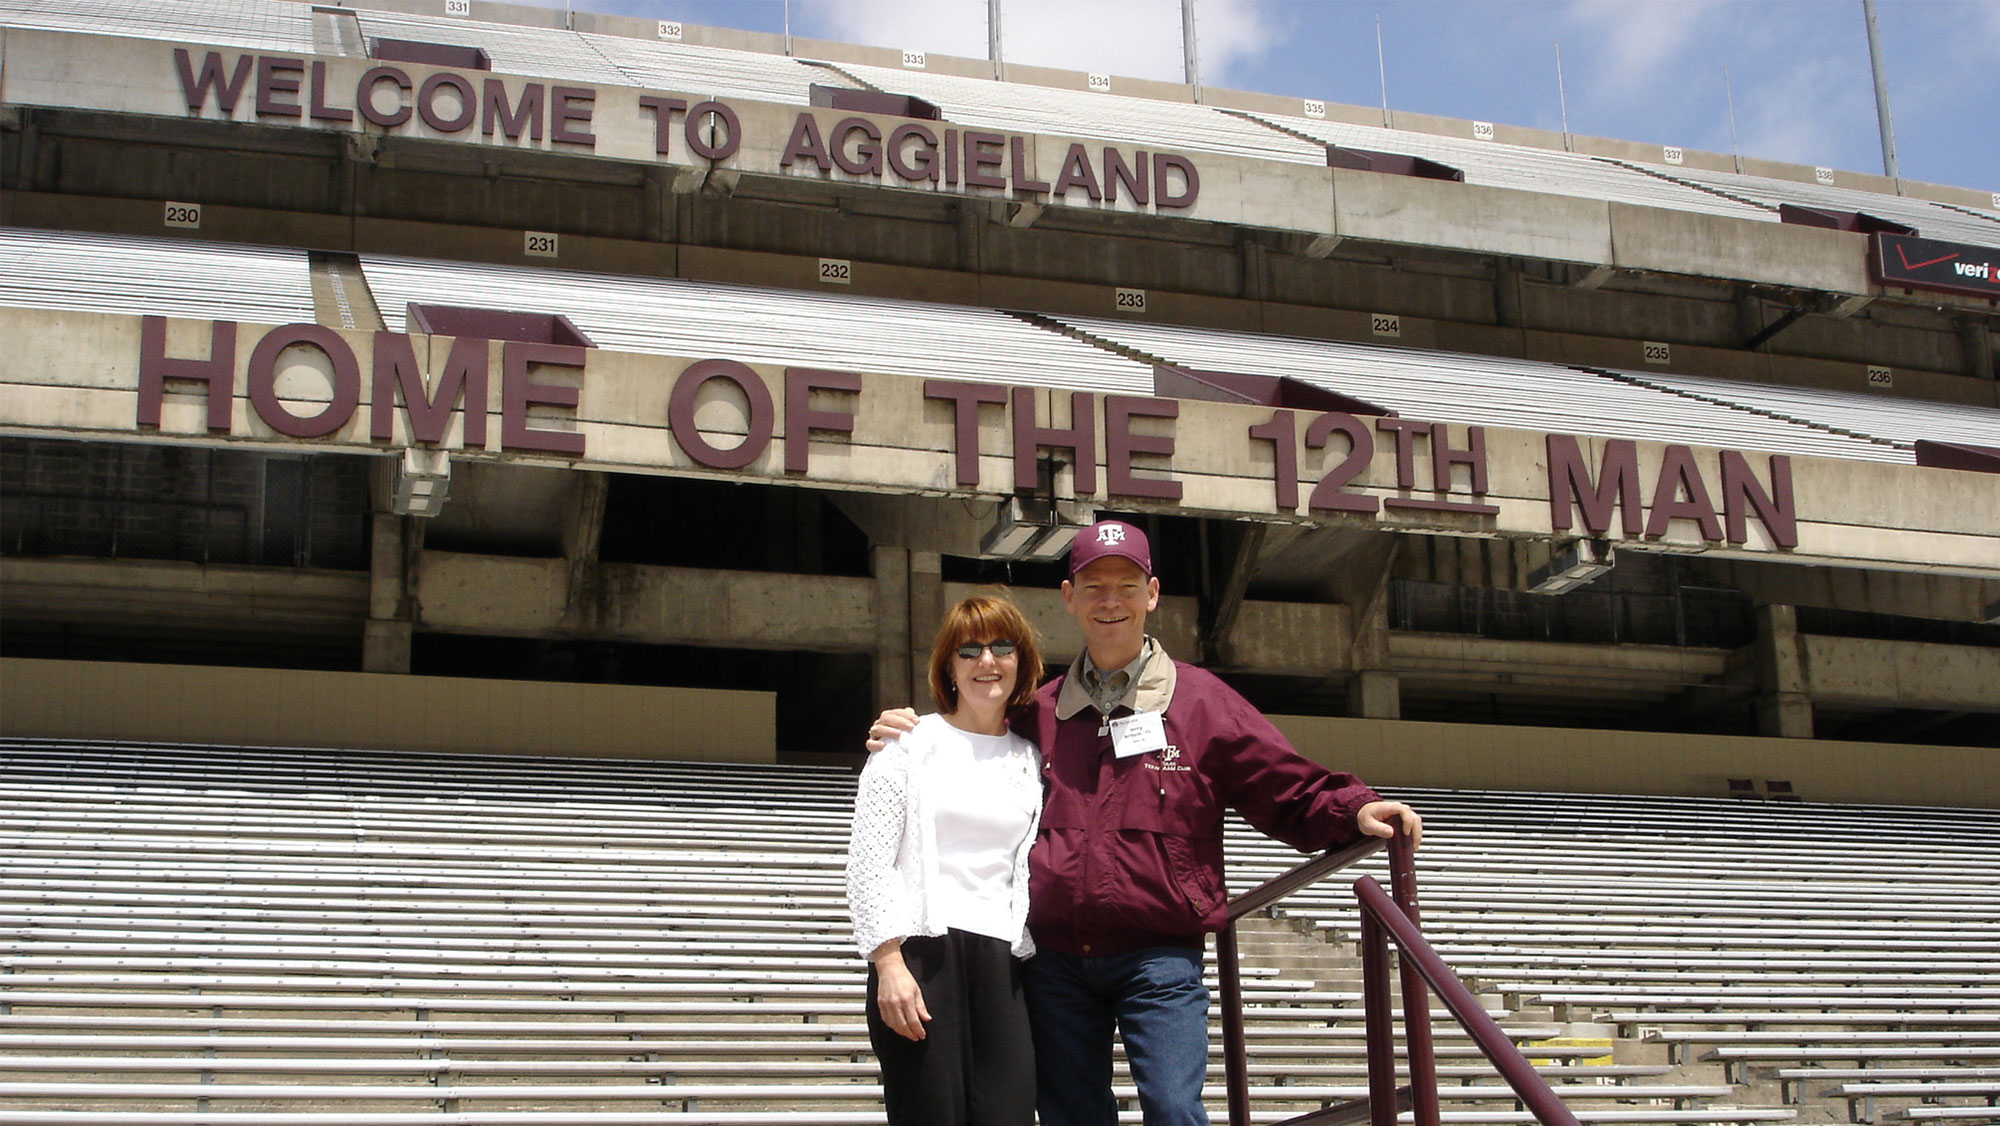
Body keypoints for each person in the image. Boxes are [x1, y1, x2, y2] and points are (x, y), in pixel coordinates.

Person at [867, 519, 1422, 1126]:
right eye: (1094, 586)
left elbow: (1280, 783)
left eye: (1126, 586)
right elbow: (973, 730)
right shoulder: (1041, 711)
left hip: (1157, 954)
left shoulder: (1202, 701)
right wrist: (908, 723)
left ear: (1151, 594)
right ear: (1069, 598)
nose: (1111, 602)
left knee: (1173, 1109)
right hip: (1054, 959)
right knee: (1072, 1114)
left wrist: (1352, 809)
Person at [845, 592, 1047, 1126]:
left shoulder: (1033, 759)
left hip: (1004, 963)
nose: (987, 661)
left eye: (1002, 648)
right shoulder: (907, 745)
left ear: (1021, 662)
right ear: (948, 667)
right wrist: (888, 964)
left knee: (1009, 1112)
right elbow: (869, 864)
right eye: (969, 650)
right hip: (923, 958)